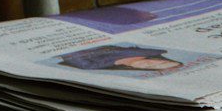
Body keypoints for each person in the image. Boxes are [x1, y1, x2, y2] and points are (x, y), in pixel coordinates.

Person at [56, 44, 186, 74]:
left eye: (154, 67)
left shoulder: (93, 66)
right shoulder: (155, 50)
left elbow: (69, 54)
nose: (150, 63)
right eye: (163, 62)